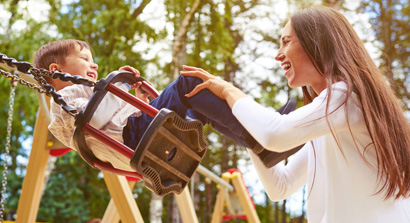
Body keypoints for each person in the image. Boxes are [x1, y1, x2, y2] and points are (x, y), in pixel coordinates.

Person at [180, 6, 410, 223]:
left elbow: (275, 134)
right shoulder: (331, 123)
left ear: (317, 43)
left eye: (286, 42)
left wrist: (229, 90)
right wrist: (245, 129)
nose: (278, 54)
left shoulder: (347, 97)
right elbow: (281, 186)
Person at [33, 39, 295, 172]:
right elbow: (94, 119)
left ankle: (260, 142)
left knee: (199, 105)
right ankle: (262, 132)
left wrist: (140, 97)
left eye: (93, 60)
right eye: (84, 58)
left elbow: (113, 117)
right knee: (188, 83)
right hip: (135, 137)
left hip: (136, 135)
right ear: (57, 70)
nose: (94, 65)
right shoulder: (65, 98)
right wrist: (118, 86)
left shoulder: (88, 92)